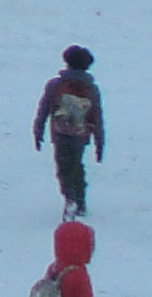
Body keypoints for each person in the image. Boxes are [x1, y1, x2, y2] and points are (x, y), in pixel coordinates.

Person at [35, 45, 105, 216]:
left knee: (63, 167)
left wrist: (38, 130)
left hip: (60, 133)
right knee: (77, 165)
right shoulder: (91, 89)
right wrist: (99, 142)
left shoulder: (55, 85)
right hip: (81, 135)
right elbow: (96, 116)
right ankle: (80, 200)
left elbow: (43, 109)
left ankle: (70, 198)